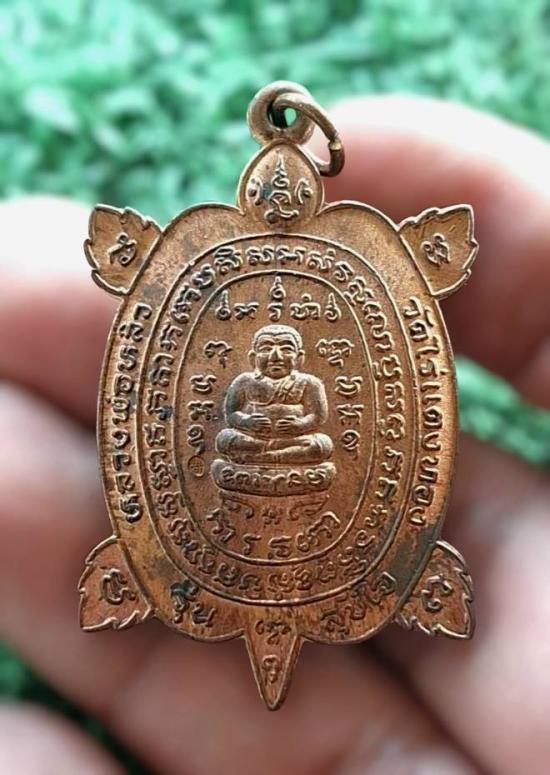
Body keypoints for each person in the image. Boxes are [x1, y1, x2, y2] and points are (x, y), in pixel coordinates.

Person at [1, 95, 550, 774]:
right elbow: (232, 425)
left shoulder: (310, 383)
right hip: (247, 463)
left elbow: (319, 428)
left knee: (319, 451)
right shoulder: (246, 382)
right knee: (231, 451)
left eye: (287, 353)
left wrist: (291, 424)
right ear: (259, 354)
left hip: (302, 462)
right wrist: (260, 423)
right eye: (270, 353)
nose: (279, 362)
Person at [215, 324, 333, 466]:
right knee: (225, 439)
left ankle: (267, 457)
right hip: (254, 439)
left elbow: (318, 416)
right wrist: (247, 421)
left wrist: (300, 424)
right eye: (266, 349)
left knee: (322, 444)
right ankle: (275, 453)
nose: (275, 357)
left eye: (286, 349)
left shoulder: (309, 382)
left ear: (299, 357)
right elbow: (231, 413)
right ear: (253, 358)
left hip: (293, 439)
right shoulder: (244, 381)